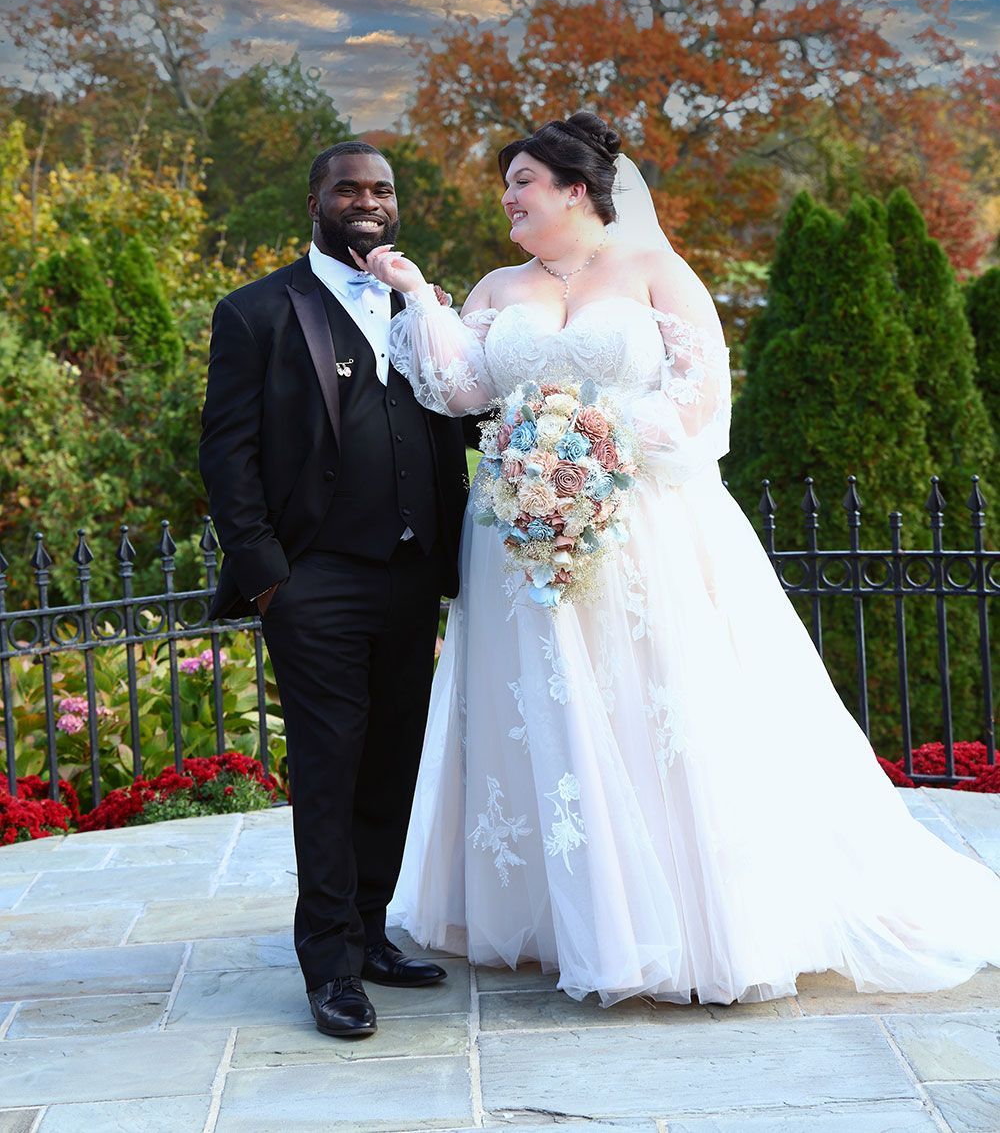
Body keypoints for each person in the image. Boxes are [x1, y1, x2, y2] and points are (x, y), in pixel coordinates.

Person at [355, 110, 1000, 1008]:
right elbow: (463, 389)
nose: (507, 198)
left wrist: (590, 442)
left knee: (651, 701)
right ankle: (568, 912)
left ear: (576, 190)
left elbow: (700, 404)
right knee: (544, 708)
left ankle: (689, 922)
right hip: (518, 534)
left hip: (644, 525)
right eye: (507, 186)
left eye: (524, 182)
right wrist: (421, 295)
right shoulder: (497, 287)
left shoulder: (656, 271)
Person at [199, 141, 469, 1038]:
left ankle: (371, 931)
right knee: (327, 767)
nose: (367, 200)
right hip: (315, 584)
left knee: (393, 761)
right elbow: (227, 455)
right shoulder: (256, 313)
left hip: (412, 576)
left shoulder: (418, 303)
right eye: (349, 187)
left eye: (383, 188)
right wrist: (270, 579)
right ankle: (329, 967)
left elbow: (462, 414)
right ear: (315, 199)